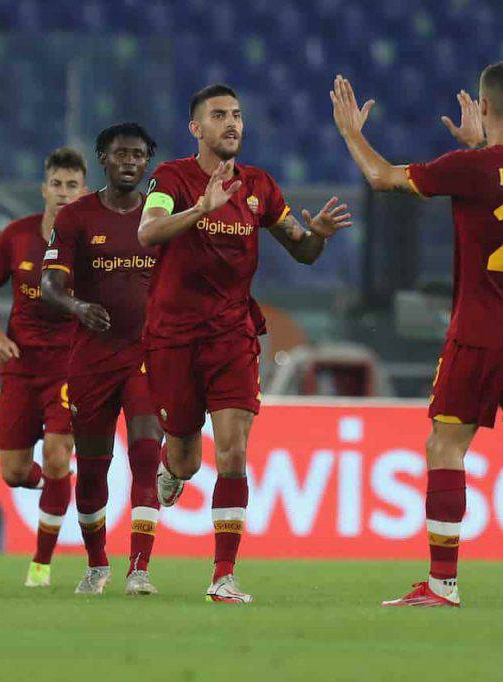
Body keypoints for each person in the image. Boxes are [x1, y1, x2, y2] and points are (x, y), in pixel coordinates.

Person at [332, 63, 503, 608]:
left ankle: (442, 585)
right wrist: (478, 145)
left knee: (445, 445)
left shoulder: (470, 167)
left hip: (483, 330)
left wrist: (351, 132)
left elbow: (382, 178)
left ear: (483, 107)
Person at [137, 84, 351, 604]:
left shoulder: (260, 187)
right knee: (187, 458)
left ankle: (223, 575)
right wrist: (199, 210)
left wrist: (317, 234)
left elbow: (302, 251)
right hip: (171, 339)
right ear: (196, 128)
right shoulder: (171, 179)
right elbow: (147, 232)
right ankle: (172, 466)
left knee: (233, 452)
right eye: (218, 116)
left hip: (233, 336)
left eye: (236, 115)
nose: (231, 123)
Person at [41, 122, 164, 596]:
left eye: (138, 154)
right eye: (120, 154)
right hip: (91, 359)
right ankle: (97, 563)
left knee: (146, 452)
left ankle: (140, 568)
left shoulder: (160, 219)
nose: (129, 161)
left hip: (144, 355)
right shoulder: (76, 218)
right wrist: (76, 306)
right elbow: (51, 283)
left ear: (147, 162)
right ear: (103, 159)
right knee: (92, 468)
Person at [0, 147, 86, 587]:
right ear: (44, 189)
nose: (63, 193)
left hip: (68, 366)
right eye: (56, 185)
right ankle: (59, 486)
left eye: (72, 186)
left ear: (83, 192)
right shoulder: (17, 237)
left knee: (58, 457)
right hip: (21, 366)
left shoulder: (92, 244)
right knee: (15, 473)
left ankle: (40, 564)